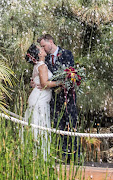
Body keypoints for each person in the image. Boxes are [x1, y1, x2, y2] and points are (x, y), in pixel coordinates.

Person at [37, 34, 79, 162]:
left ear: (51, 41)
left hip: (68, 98)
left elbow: (70, 73)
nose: (43, 49)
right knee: (58, 126)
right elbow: (43, 75)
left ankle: (74, 156)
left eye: (44, 45)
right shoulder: (46, 59)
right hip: (53, 99)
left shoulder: (67, 54)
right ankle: (62, 155)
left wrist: (56, 82)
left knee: (71, 125)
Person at [24, 43, 60, 160]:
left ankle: (32, 155)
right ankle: (40, 157)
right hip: (39, 100)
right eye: (41, 48)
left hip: (36, 98)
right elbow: (44, 84)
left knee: (35, 127)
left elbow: (35, 81)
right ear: (39, 54)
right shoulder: (42, 66)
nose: (43, 49)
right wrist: (61, 82)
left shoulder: (37, 66)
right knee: (39, 127)